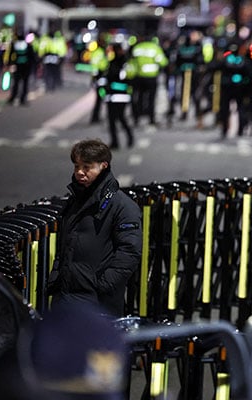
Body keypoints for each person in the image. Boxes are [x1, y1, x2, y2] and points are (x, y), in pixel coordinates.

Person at [46, 139, 142, 317]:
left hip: (97, 303)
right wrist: (57, 278)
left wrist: (102, 286)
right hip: (66, 298)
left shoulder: (122, 205)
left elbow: (130, 252)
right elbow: (65, 245)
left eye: (86, 167)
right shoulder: (75, 200)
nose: (79, 173)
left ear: (103, 166)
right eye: (76, 166)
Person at [129, 35, 168, 127]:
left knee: (139, 98)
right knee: (151, 99)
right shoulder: (154, 48)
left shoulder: (137, 48)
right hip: (151, 77)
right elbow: (163, 62)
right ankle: (151, 119)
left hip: (138, 77)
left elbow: (132, 62)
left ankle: (136, 119)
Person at [105, 43, 136, 149]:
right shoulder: (112, 62)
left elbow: (128, 80)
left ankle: (130, 138)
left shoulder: (126, 64)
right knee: (111, 120)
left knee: (121, 118)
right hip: (111, 96)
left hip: (121, 95)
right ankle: (115, 142)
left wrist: (112, 85)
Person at [6, 31, 36, 106]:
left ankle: (13, 98)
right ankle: (22, 99)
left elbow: (10, 55)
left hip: (17, 66)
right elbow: (32, 57)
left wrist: (9, 64)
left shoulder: (14, 44)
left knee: (16, 83)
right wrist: (33, 67)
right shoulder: (28, 45)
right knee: (25, 84)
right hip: (26, 67)